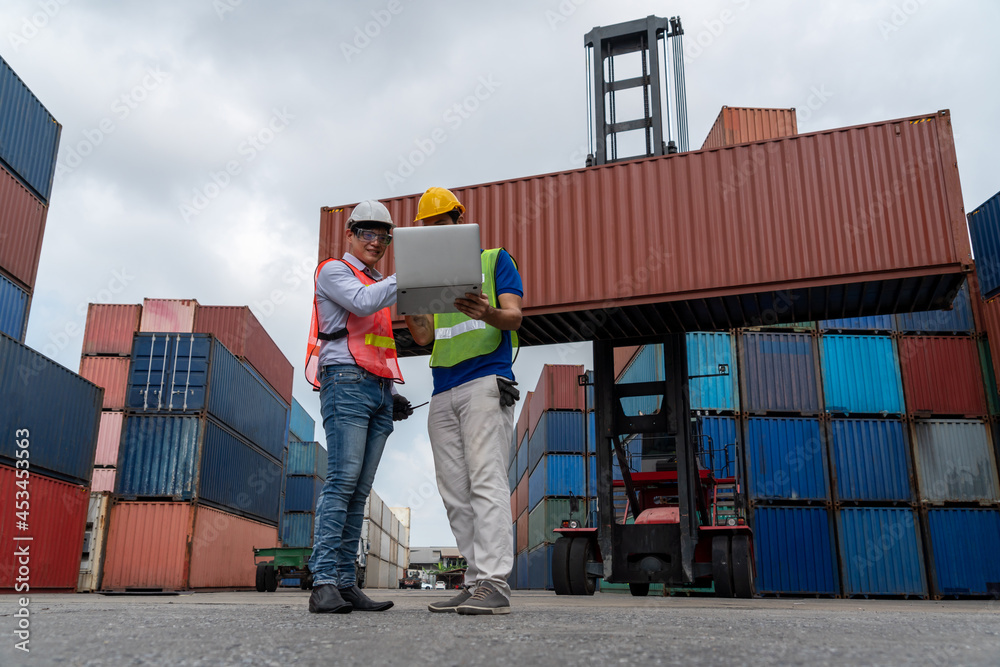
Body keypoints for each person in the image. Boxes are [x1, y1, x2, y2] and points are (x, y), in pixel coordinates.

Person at [405, 187, 523, 615]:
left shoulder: (494, 260)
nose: (435, 231)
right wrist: (410, 298)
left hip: (485, 381)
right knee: (455, 491)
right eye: (428, 227)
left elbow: (514, 316)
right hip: (442, 390)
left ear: (459, 219)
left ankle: (495, 583)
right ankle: (475, 581)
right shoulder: (429, 275)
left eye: (441, 223)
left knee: (485, 481)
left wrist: (487, 312)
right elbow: (423, 337)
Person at [304, 199, 413, 614]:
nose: (377, 241)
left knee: (359, 491)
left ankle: (346, 583)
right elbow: (363, 303)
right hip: (345, 385)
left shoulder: (377, 282)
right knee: (343, 481)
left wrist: (389, 390)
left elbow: (376, 345)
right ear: (349, 234)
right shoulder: (334, 271)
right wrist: (412, 275)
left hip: (376, 390)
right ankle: (324, 582)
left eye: (383, 236)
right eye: (368, 232)